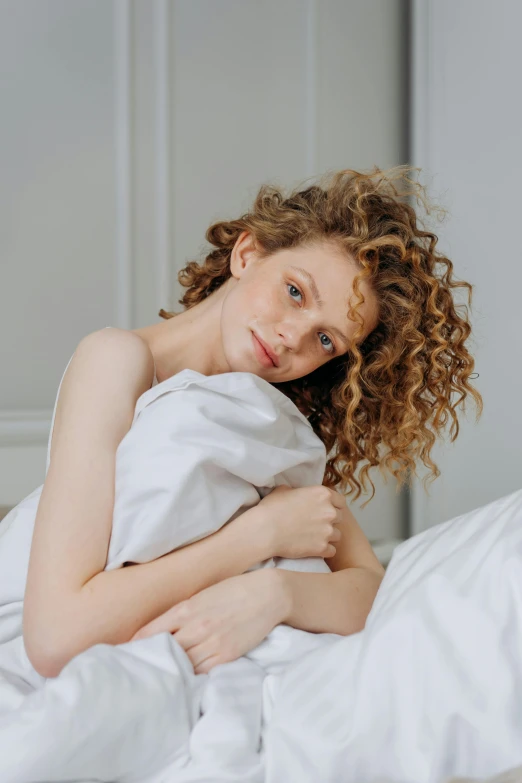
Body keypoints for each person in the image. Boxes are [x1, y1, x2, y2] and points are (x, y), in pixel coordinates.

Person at [22, 165, 482, 679]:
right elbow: (54, 637)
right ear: (247, 254)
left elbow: (372, 587)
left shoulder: (265, 416)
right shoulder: (117, 359)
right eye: (295, 292)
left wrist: (274, 594)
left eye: (327, 340)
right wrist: (258, 536)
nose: (294, 338)